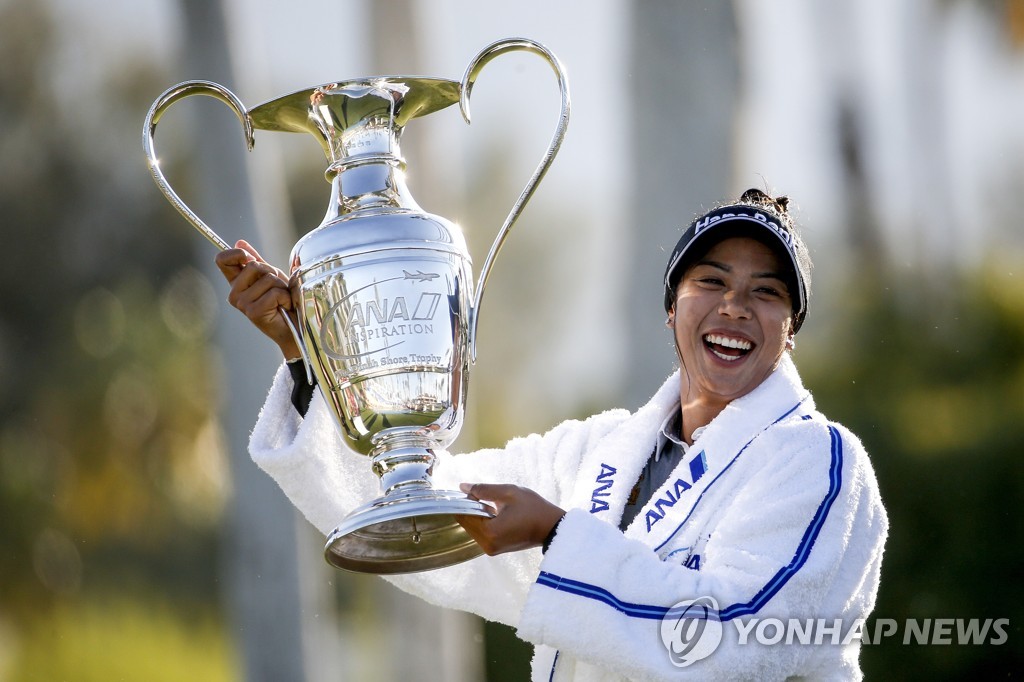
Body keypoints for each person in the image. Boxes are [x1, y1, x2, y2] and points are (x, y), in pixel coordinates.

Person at [215, 189, 888, 680]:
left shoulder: (816, 459)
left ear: (790, 329)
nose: (735, 305)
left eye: (766, 292)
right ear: (672, 310)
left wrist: (559, 536)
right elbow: (426, 506)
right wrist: (311, 360)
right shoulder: (599, 452)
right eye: (710, 280)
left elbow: (741, 641)